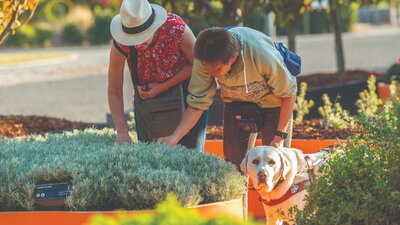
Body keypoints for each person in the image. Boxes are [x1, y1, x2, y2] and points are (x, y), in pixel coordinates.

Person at [158, 27, 297, 168]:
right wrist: (173, 137)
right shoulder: (205, 59)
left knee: (273, 161)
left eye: (216, 69)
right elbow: (198, 102)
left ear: (233, 58)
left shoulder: (261, 54)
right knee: (233, 167)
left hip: (274, 103)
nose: (211, 72)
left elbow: (288, 93)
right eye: (207, 68)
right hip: (237, 104)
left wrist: (279, 137)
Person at [108, 0, 208, 150]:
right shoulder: (121, 43)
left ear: (154, 27)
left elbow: (200, 65)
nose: (136, 45)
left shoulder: (176, 29)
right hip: (150, 108)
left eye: (141, 38)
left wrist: (162, 87)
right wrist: (122, 132)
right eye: (131, 39)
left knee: (190, 157)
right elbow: (114, 92)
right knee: (152, 160)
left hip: (187, 98)